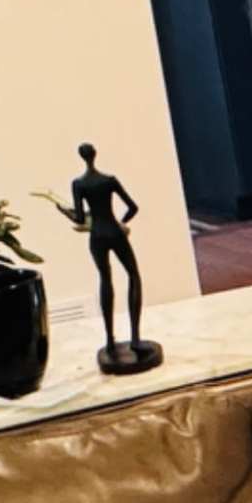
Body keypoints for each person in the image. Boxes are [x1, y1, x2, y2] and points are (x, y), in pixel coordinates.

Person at [59, 144, 162, 373]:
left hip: (97, 236)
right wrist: (122, 223)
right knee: (133, 276)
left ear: (82, 157)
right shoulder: (109, 180)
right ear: (94, 155)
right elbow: (132, 207)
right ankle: (135, 337)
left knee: (105, 280)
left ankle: (109, 339)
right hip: (115, 232)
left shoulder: (79, 184)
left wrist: (64, 211)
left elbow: (78, 218)